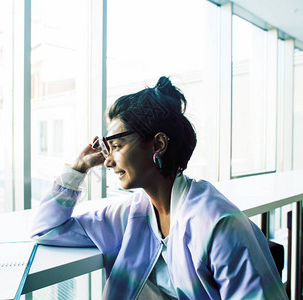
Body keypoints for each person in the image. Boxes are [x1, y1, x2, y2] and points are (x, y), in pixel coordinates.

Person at [31, 76, 287, 299]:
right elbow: (47, 229)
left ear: (158, 145)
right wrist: (78, 168)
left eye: (117, 147)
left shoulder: (219, 226)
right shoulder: (130, 217)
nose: (108, 161)